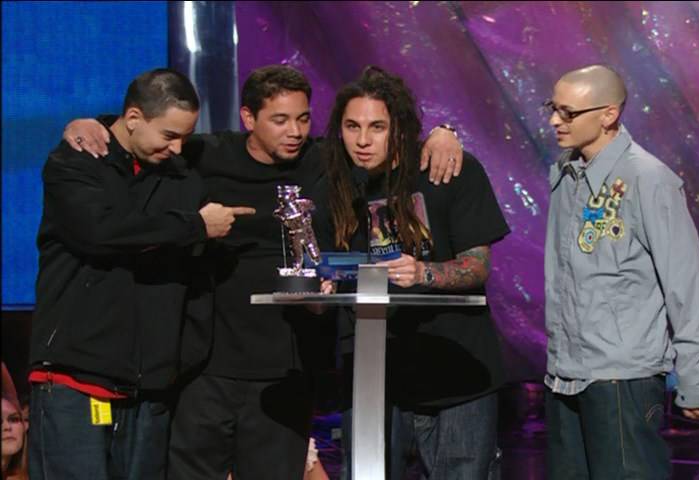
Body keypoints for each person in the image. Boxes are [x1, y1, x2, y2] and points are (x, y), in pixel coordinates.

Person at [63, 64, 464, 479]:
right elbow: (149, 131)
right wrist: (94, 124)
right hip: (206, 367)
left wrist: (444, 133)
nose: (295, 132)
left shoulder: (324, 161)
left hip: (287, 369)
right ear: (248, 118)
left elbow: (385, 147)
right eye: (280, 120)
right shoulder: (206, 155)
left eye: (303, 119)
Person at [28, 68, 248, 480]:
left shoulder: (181, 174)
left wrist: (180, 357)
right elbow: (101, 231)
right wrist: (195, 226)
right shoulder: (75, 161)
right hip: (76, 377)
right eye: (169, 135)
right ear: (133, 119)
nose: (178, 147)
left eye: (185, 137)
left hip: (151, 386)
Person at [311, 66, 510, 479]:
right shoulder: (333, 185)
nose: (362, 140)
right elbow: (325, 272)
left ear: (399, 128)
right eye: (352, 126)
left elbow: (477, 266)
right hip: (373, 377)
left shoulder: (446, 169)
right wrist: (319, 289)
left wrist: (423, 272)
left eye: (377, 127)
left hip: (457, 371)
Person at [543, 64, 699, 479]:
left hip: (622, 377)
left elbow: (686, 283)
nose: (554, 121)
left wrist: (695, 378)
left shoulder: (649, 179)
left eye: (568, 113)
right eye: (553, 108)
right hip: (564, 373)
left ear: (609, 114)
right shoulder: (565, 174)